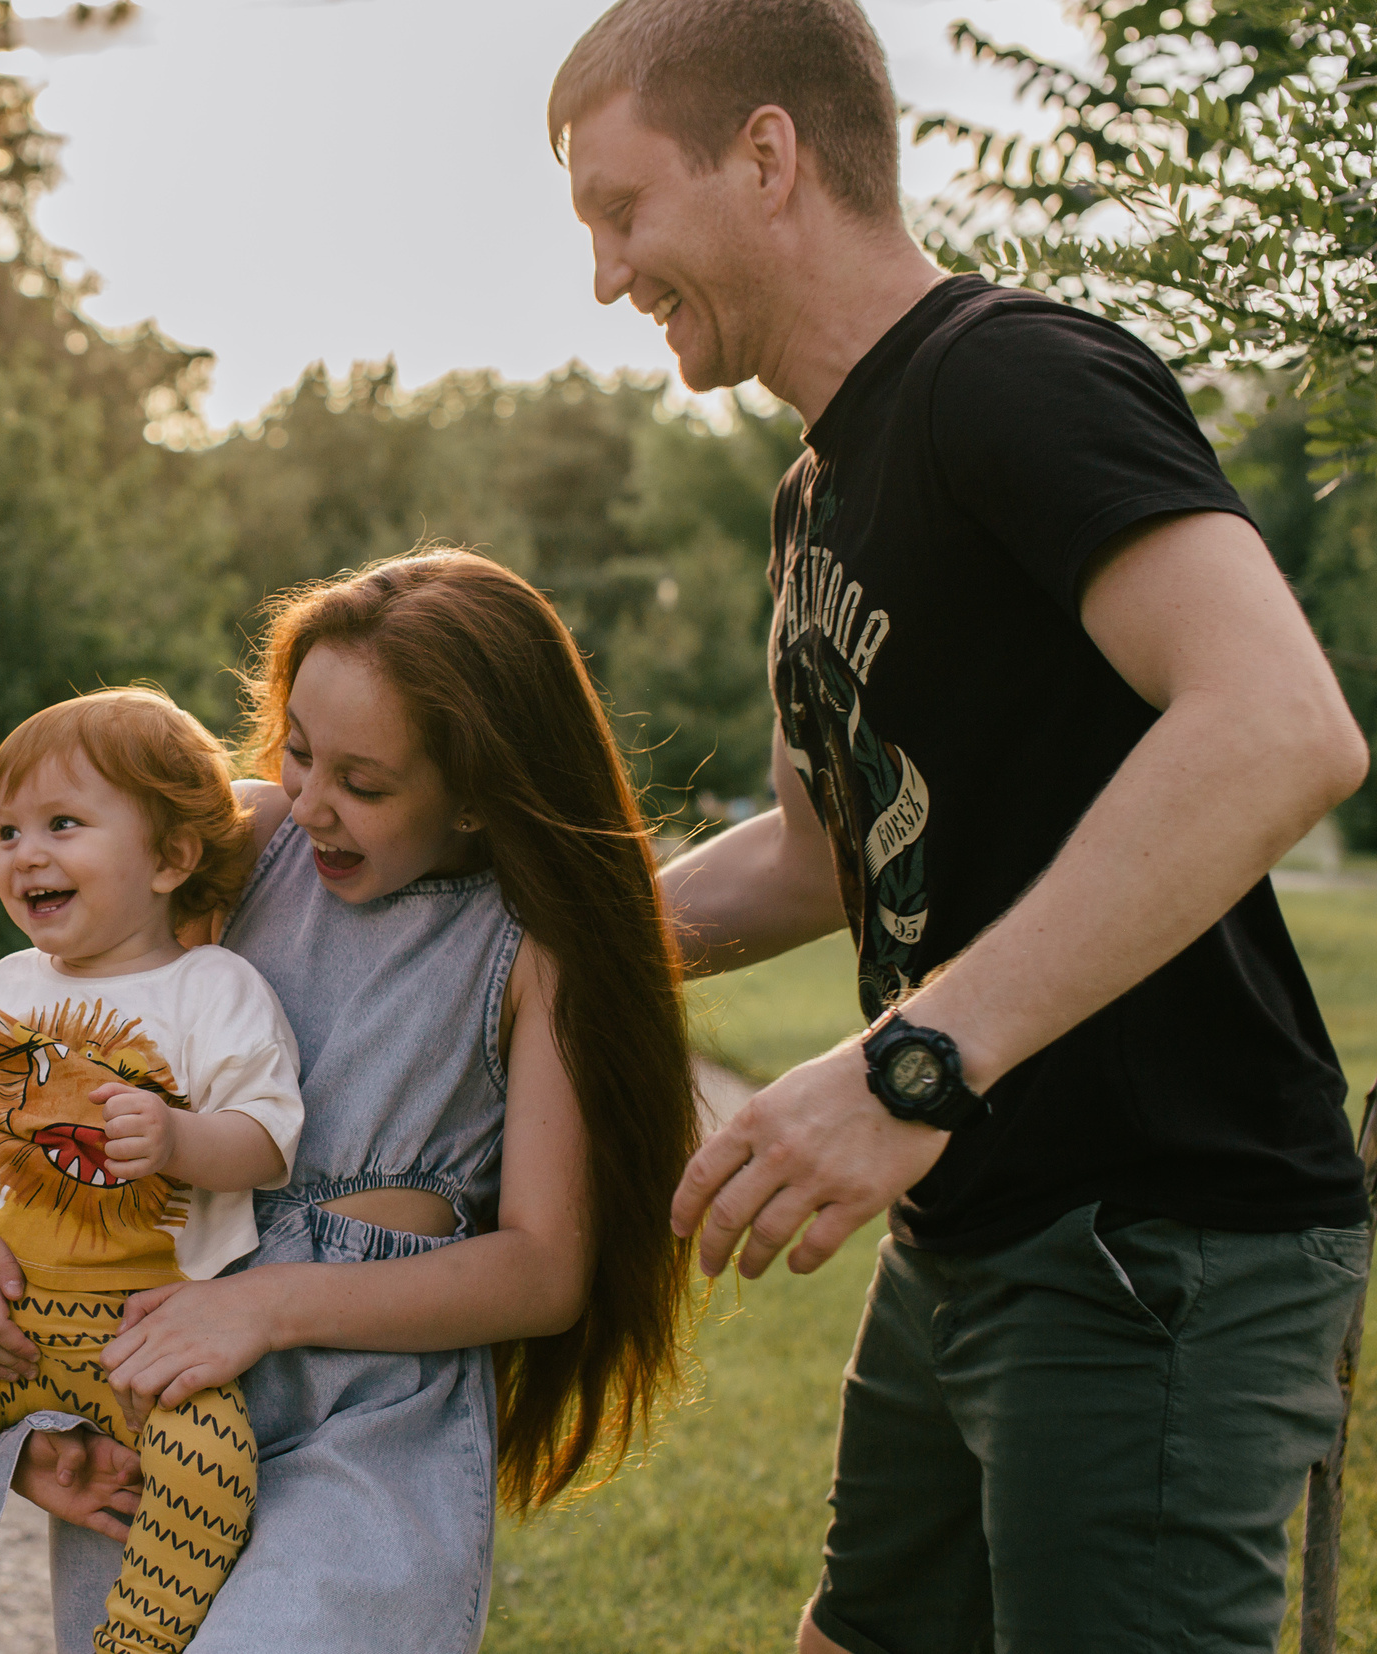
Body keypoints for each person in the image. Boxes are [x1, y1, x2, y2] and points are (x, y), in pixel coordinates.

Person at [546, 3, 1372, 1649]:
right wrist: (543, 941)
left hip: (1158, 1236)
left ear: (768, 154)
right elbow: (816, 848)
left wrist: (908, 1063)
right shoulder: (816, 490)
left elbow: (1281, 724)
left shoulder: (1009, 377)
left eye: (621, 210)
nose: (604, 273)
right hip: (972, 1226)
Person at [0, 551, 699, 1651]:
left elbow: (542, 1270)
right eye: (298, 752)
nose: (310, 802)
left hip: (367, 1414)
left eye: (365, 783)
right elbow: (35, 1040)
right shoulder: (243, 848)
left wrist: (268, 1305)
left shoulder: (533, 950)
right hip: (163, 1378)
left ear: (481, 787)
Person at [0, 688, 304, 1654]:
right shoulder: (7, 986)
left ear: (171, 858)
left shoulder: (214, 990)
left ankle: (130, 1645)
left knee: (211, 1479)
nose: (26, 854)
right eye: (8, 831)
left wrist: (178, 1140)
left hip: (143, 1328)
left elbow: (266, 1143)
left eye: (63, 824)